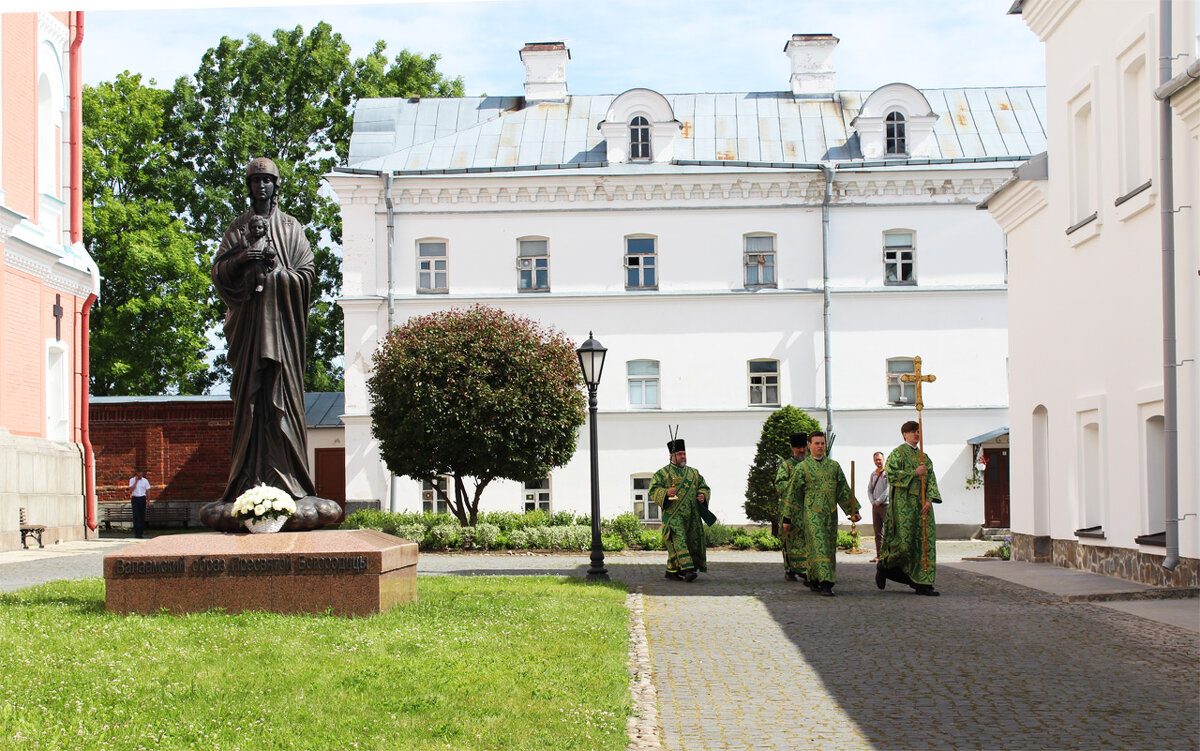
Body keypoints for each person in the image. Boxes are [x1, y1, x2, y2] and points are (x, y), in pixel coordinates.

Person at [202, 157, 341, 532]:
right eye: (255, 180)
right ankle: (245, 483)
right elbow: (219, 272)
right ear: (248, 186)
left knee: (283, 399)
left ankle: (291, 484)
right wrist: (246, 257)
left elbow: (307, 275)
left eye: (267, 180)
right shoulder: (237, 229)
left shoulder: (292, 228)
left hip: (281, 332)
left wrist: (277, 272)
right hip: (249, 331)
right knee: (250, 399)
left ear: (276, 186)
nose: (261, 186)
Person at [783, 431, 860, 596]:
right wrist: (787, 517)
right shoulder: (802, 468)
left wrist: (853, 510)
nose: (820, 446)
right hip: (812, 514)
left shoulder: (834, 466)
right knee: (819, 547)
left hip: (831, 514)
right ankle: (826, 583)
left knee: (828, 548)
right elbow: (793, 494)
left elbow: (843, 490)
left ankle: (813, 579)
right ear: (809, 445)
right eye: (816, 443)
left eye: (822, 443)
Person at [876, 420, 942, 596]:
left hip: (923, 507)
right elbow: (891, 475)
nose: (916, 435)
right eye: (913, 432)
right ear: (905, 434)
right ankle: (884, 565)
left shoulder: (924, 457)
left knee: (924, 544)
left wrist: (929, 500)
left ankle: (923, 582)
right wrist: (914, 473)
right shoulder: (897, 454)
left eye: (918, 431)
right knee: (904, 544)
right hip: (904, 506)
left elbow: (931, 480)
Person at [649, 438, 711, 582]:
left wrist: (703, 496)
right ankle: (688, 570)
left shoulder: (694, 473)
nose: (683, 456)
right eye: (680, 454)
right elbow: (653, 489)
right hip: (673, 516)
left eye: (684, 454)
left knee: (691, 541)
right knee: (679, 540)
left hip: (692, 516)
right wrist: (665, 493)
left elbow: (704, 487)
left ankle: (672, 572)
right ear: (672, 456)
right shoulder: (662, 473)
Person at [774, 432, 808, 582]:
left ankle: (807, 568)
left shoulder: (810, 464)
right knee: (789, 540)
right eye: (798, 447)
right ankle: (790, 569)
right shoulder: (786, 465)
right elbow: (779, 484)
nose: (801, 450)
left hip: (808, 509)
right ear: (792, 448)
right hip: (790, 510)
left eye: (803, 447)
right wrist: (796, 486)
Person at [866, 451, 889, 562]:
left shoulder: (888, 473)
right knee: (877, 531)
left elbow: (887, 490)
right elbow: (869, 489)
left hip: (885, 506)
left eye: (879, 459)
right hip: (875, 507)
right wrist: (872, 501)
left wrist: (879, 501)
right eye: (876, 460)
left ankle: (887, 555)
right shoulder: (873, 474)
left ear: (883, 459)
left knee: (888, 531)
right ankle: (879, 554)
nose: (878, 462)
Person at [128, 469, 151, 539]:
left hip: (142, 498)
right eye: (139, 474)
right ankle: (136, 532)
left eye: (141, 474)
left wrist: (148, 500)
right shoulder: (132, 480)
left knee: (141, 516)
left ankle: (141, 532)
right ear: (136, 473)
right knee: (136, 516)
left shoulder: (145, 481)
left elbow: (148, 491)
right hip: (135, 498)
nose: (140, 475)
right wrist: (136, 482)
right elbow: (131, 489)